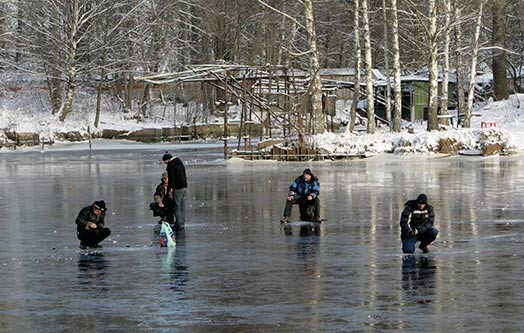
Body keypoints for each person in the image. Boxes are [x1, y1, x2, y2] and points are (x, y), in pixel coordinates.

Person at [163, 153, 188, 231]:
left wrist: (169, 188)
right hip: (184, 186)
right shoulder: (180, 163)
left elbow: (172, 178)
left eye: (164, 161)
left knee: (177, 206)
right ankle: (182, 223)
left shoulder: (171, 165)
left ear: (167, 160)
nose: (165, 163)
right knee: (182, 206)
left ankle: (179, 225)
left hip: (178, 187)